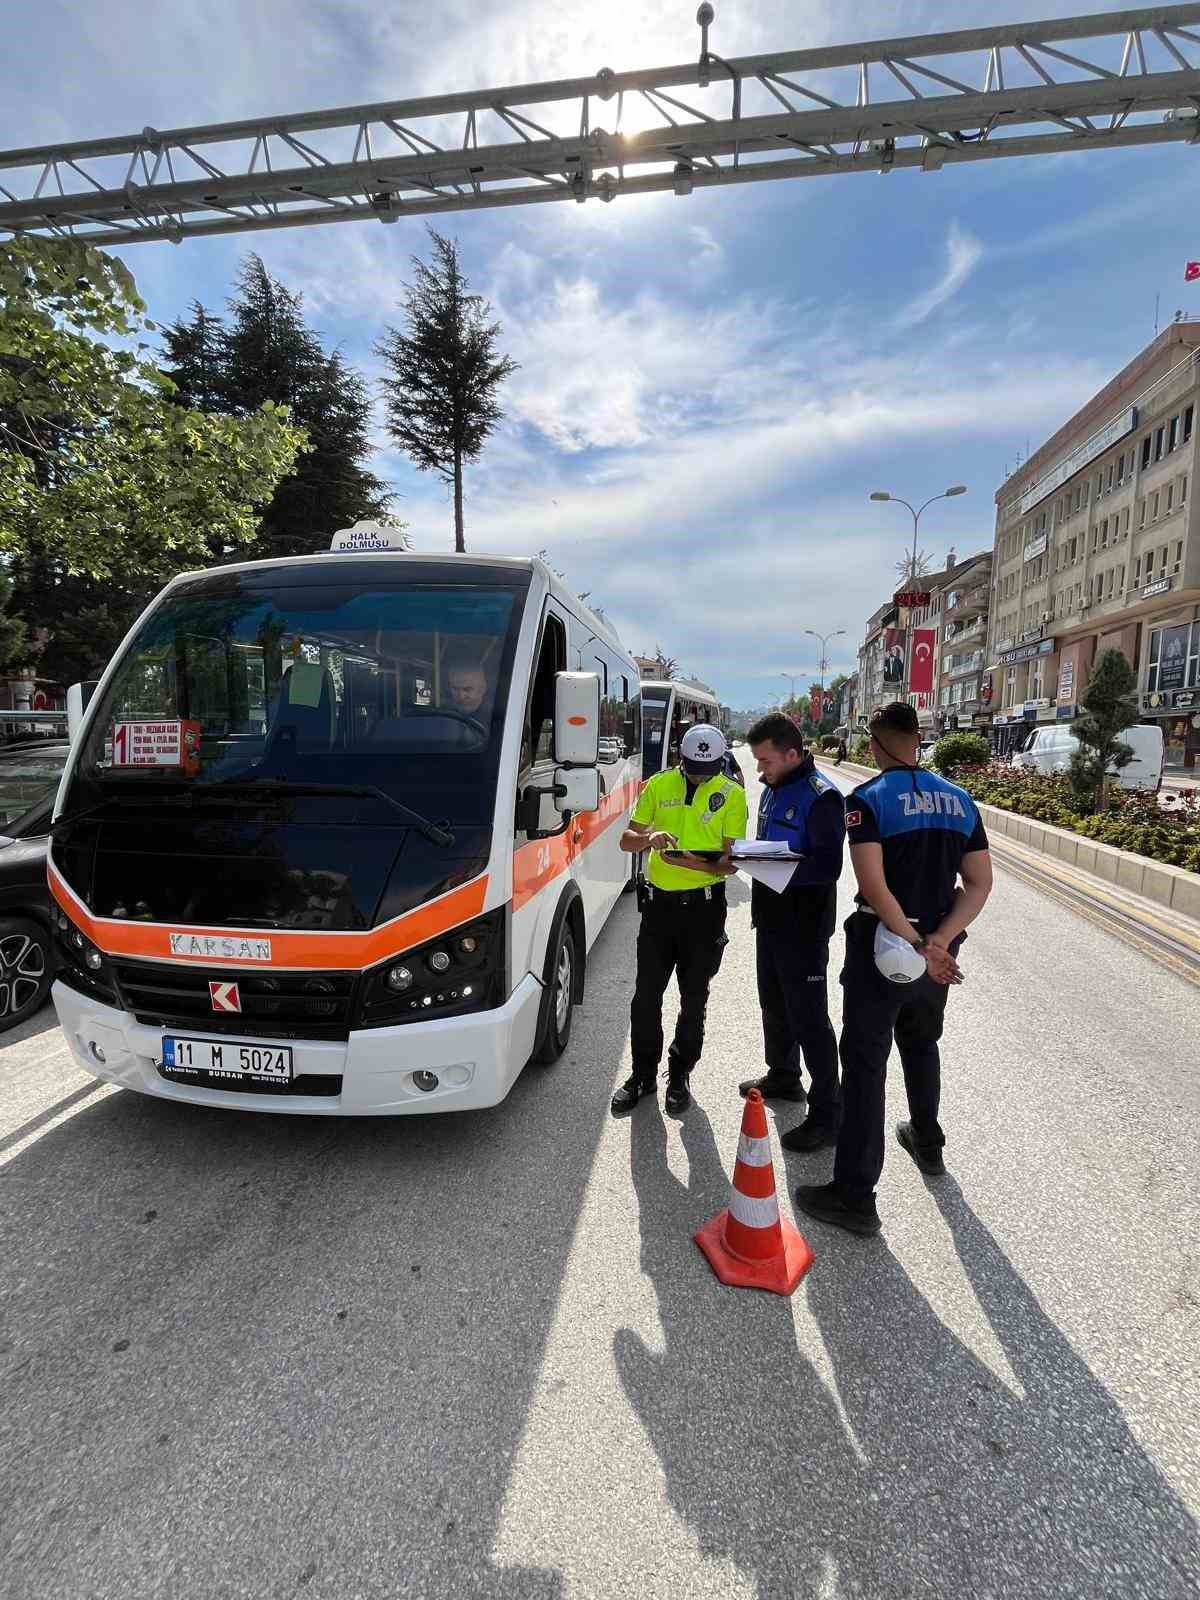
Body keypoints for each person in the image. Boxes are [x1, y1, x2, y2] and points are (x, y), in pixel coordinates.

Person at [795, 702, 993, 1238]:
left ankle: (854, 1195)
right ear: (918, 739)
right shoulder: (960, 800)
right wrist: (941, 942)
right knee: (922, 1042)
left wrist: (914, 943)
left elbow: (875, 886)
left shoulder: (868, 800)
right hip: (939, 950)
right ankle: (927, 1142)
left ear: (876, 743)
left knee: (865, 1065)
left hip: (884, 948)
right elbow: (978, 884)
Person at [612, 723, 748, 1117]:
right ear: (680, 758)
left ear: (719, 762)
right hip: (658, 910)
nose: (699, 775)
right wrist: (649, 839)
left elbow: (731, 864)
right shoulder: (658, 785)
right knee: (646, 997)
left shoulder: (732, 794)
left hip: (704, 912)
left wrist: (690, 861)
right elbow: (627, 839)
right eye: (692, 768)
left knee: (693, 999)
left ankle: (680, 1073)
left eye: (707, 769)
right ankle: (642, 1075)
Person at [737, 713, 846, 1150]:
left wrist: (752, 856)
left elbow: (826, 866)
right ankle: (784, 1074)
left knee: (810, 1019)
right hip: (772, 918)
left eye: (765, 761)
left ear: (792, 754)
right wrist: (750, 857)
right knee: (774, 1005)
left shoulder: (822, 797)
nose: (759, 770)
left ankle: (826, 1115)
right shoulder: (775, 788)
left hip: (803, 925)